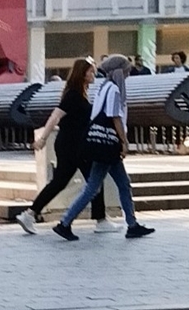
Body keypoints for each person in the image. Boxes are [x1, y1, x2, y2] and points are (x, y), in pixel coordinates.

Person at [52, 54, 152, 241]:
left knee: (117, 184)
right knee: (97, 187)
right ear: (119, 71)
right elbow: (115, 117)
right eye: (127, 69)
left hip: (100, 143)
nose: (129, 73)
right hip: (109, 144)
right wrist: (123, 141)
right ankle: (65, 223)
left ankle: (131, 224)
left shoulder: (103, 87)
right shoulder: (114, 90)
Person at [12, 58, 107, 234]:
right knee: (94, 180)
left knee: (60, 182)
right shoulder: (74, 95)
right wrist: (42, 139)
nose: (94, 75)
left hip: (69, 143)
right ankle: (101, 221)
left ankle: (30, 214)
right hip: (74, 145)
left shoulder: (78, 93)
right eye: (91, 72)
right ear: (82, 73)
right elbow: (55, 116)